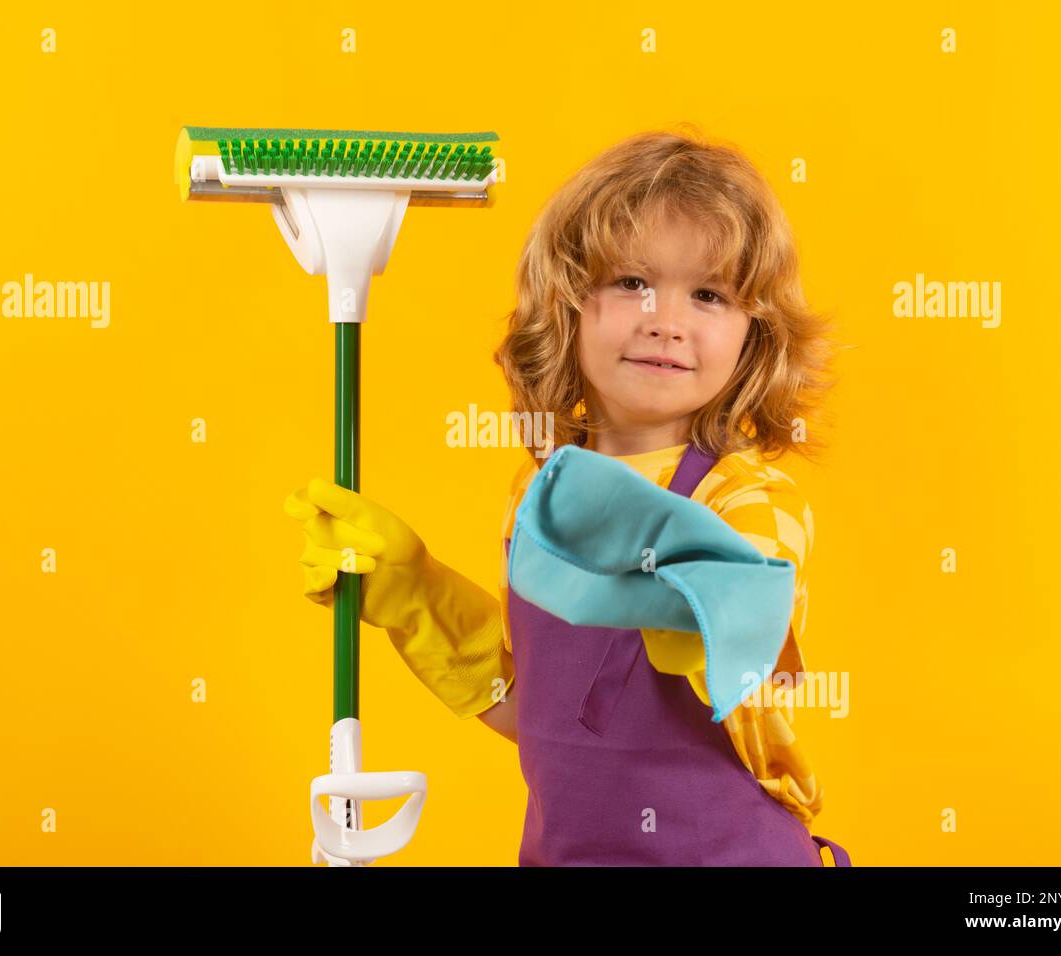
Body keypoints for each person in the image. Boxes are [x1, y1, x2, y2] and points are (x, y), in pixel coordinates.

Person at [285, 126, 847, 866]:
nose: (666, 320)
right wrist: (418, 596)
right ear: (569, 304)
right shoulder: (539, 500)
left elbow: (755, 632)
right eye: (631, 282)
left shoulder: (748, 496)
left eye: (709, 294)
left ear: (754, 339)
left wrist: (697, 599)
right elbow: (548, 719)